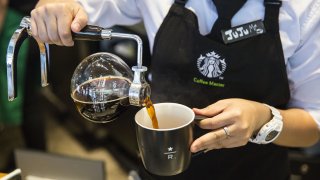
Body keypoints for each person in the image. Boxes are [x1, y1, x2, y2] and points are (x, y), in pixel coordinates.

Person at [30, 0, 320, 179]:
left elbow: (313, 122)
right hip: (159, 170)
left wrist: (263, 118)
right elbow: (78, 6)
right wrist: (56, 6)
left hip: (256, 172)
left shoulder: (304, 9)